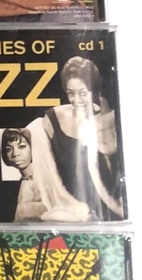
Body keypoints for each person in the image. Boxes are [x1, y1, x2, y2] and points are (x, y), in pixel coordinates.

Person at [34, 56, 124, 220]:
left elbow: (113, 172)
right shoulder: (52, 119)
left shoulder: (106, 120)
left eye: (83, 93)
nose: (76, 100)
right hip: (64, 210)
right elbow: (44, 171)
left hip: (103, 210)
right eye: (71, 93)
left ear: (94, 90)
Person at [1, 128, 47, 221]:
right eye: (9, 149)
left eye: (21, 147)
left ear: (33, 147)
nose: (15, 154)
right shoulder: (23, 180)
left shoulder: (43, 178)